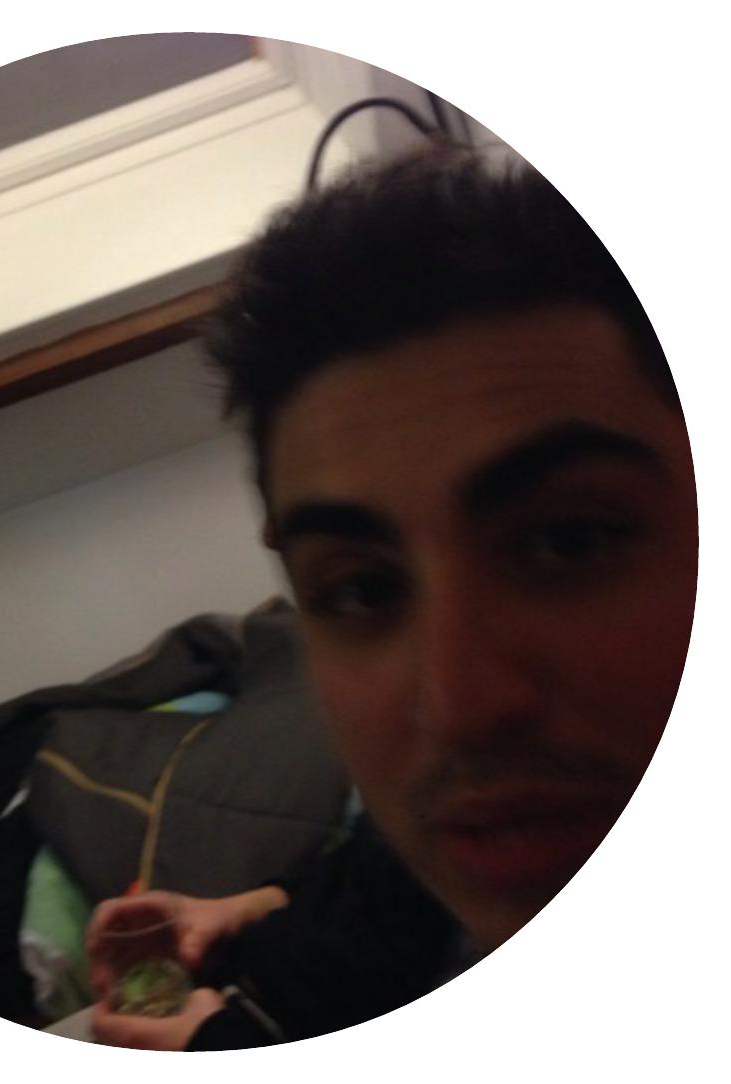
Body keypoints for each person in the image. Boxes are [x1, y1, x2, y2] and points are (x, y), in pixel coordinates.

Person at [72, 140, 697, 1049]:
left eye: (569, 541)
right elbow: (393, 879)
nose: (458, 708)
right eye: (362, 590)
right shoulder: (483, 821)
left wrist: (209, 1047)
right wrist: (244, 910)